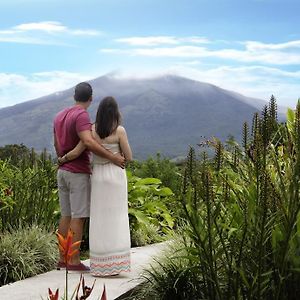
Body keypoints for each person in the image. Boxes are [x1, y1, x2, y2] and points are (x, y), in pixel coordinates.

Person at [53, 83, 125, 272]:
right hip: (77, 172)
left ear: (74, 96)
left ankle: (63, 259)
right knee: (79, 216)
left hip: (62, 171)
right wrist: (113, 157)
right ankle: (74, 261)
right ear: (90, 99)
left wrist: (63, 159)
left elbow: (56, 143)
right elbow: (87, 141)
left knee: (66, 215)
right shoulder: (82, 115)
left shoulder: (59, 115)